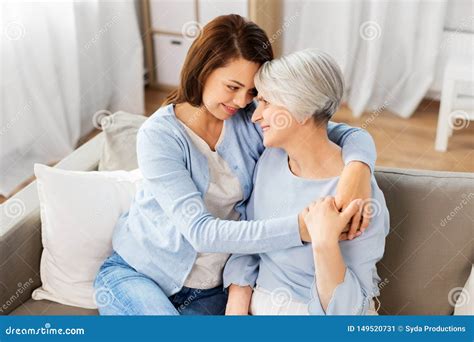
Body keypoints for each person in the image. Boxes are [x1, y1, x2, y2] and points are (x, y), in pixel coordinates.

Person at [94, 15, 377, 315]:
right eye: (232, 86)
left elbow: (330, 129)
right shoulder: (159, 136)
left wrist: (359, 167)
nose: (242, 101)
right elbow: (201, 232)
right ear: (203, 71)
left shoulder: (253, 121)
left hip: (210, 290)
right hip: (138, 275)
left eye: (252, 91)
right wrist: (302, 229)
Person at [224, 49, 389, 315]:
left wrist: (324, 243)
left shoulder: (356, 194)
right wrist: (236, 307)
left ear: (300, 110)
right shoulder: (270, 160)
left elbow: (348, 313)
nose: (255, 116)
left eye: (266, 102)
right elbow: (250, 239)